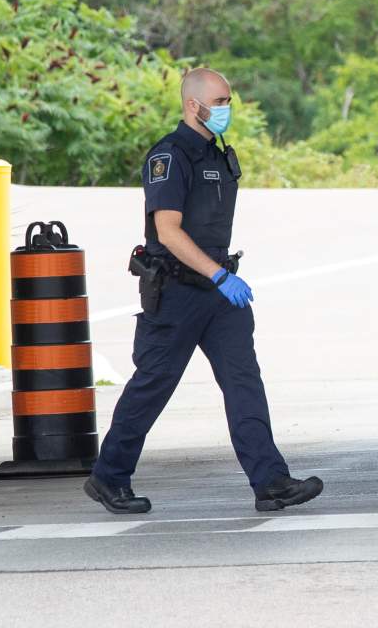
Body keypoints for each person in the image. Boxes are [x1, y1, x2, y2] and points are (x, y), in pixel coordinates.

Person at [83, 67, 323, 515]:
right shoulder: (170, 157)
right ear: (193, 105)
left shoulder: (216, 155)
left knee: (243, 382)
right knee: (153, 385)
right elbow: (168, 231)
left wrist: (220, 277)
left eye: (228, 101)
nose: (226, 109)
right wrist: (218, 276)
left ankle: (271, 482)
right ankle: (109, 476)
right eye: (219, 102)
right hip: (177, 292)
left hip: (218, 294)